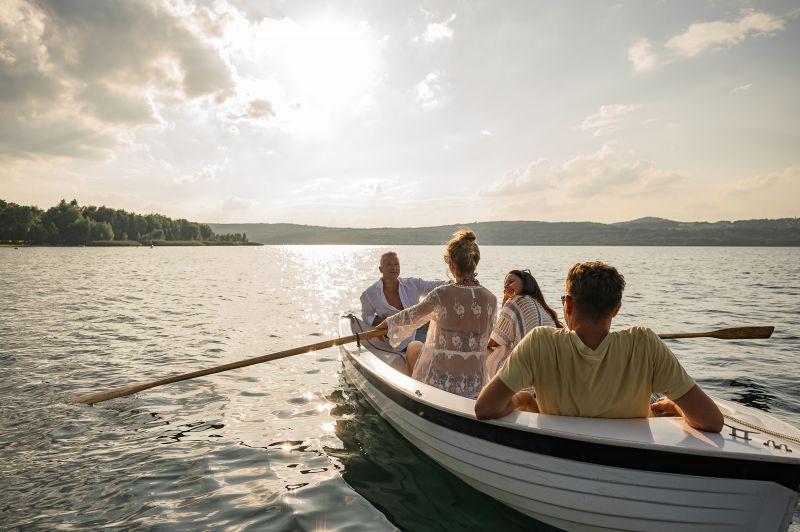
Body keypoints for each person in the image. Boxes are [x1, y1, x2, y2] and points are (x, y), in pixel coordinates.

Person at [475, 261, 723, 433]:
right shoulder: (645, 343)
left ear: (569, 305)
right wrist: (675, 405)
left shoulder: (540, 343)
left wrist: (523, 398)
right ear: (616, 309)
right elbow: (711, 420)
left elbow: (485, 407)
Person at [377, 230, 497, 398]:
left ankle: (414, 398)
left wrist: (386, 325)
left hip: (441, 383)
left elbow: (410, 316)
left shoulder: (441, 294)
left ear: (452, 265)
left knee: (413, 346)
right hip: (475, 383)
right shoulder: (491, 299)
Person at [484, 269, 563, 378]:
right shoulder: (543, 309)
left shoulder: (516, 301)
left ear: (525, 283)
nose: (506, 286)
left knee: (482, 348)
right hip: (547, 372)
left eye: (511, 281)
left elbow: (493, 341)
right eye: (505, 285)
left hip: (524, 373)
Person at [360, 251, 445, 352]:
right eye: (388, 264)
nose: (393, 267)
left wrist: (458, 281)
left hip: (423, 329)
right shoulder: (370, 294)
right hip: (399, 338)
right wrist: (387, 321)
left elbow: (438, 286)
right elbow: (367, 316)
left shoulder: (412, 284)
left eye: (396, 264)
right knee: (426, 350)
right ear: (380, 269)